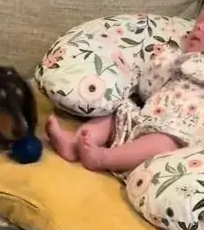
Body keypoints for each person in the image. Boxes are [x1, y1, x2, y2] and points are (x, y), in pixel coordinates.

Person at [45, 11, 204, 173]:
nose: (198, 26)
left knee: (164, 144)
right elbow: (146, 90)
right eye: (199, 21)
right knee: (115, 111)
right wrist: (164, 63)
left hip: (176, 137)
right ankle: (74, 144)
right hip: (141, 121)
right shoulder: (176, 58)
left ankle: (101, 158)